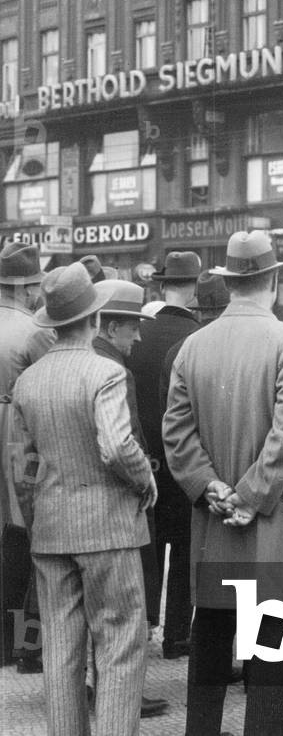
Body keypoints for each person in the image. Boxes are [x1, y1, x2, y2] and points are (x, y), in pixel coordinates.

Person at [163, 230, 283, 736]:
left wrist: (209, 485)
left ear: (231, 282)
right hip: (270, 516)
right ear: (273, 280)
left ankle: (203, 730)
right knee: (269, 637)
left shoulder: (192, 345)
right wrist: (252, 495)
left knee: (211, 626)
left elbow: (177, 430)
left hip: (213, 520)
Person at [12, 263, 156, 736]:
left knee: (60, 649)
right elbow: (116, 444)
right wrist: (143, 482)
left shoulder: (28, 381)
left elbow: (22, 467)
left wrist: (37, 520)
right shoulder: (106, 372)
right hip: (108, 527)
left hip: (51, 531)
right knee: (118, 645)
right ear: (94, 319)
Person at [92, 279, 168, 718]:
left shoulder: (82, 361)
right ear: (110, 326)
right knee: (124, 608)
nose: (138, 337)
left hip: (85, 512)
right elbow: (123, 443)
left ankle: (104, 690)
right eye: (132, 328)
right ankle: (122, 697)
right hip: (121, 506)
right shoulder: (115, 371)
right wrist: (145, 480)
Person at [129, 250, 201, 660]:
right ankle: (177, 635)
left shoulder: (138, 336)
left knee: (148, 547)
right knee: (187, 546)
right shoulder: (197, 336)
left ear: (159, 285)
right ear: (194, 288)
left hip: (142, 458)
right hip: (185, 459)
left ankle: (143, 630)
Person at [0, 242, 54, 673]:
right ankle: (23, 644)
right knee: (24, 540)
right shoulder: (33, 332)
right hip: (17, 440)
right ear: (29, 286)